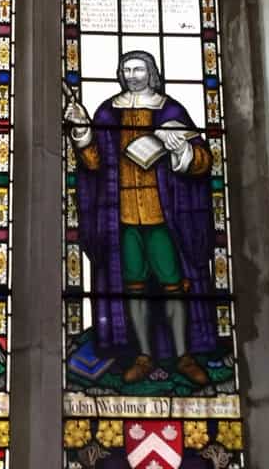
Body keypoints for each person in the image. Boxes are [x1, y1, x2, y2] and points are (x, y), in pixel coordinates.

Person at [64, 51, 215, 386]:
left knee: (174, 286)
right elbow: (92, 164)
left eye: (139, 69)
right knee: (132, 287)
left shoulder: (171, 110)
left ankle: (183, 355)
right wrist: (82, 132)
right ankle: (143, 355)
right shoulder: (107, 111)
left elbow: (204, 161)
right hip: (123, 217)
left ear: (152, 73)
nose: (132, 75)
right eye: (126, 69)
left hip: (164, 215)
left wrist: (180, 150)